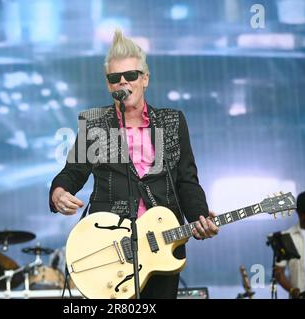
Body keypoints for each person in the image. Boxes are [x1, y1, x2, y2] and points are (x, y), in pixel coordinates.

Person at [49, 29, 218, 299]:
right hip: (111, 246)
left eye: (131, 75)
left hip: (162, 243)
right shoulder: (96, 123)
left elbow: (186, 180)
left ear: (145, 78)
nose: (123, 82)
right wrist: (58, 192)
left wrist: (199, 214)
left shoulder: (172, 121)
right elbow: (73, 171)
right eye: (115, 78)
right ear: (108, 85)